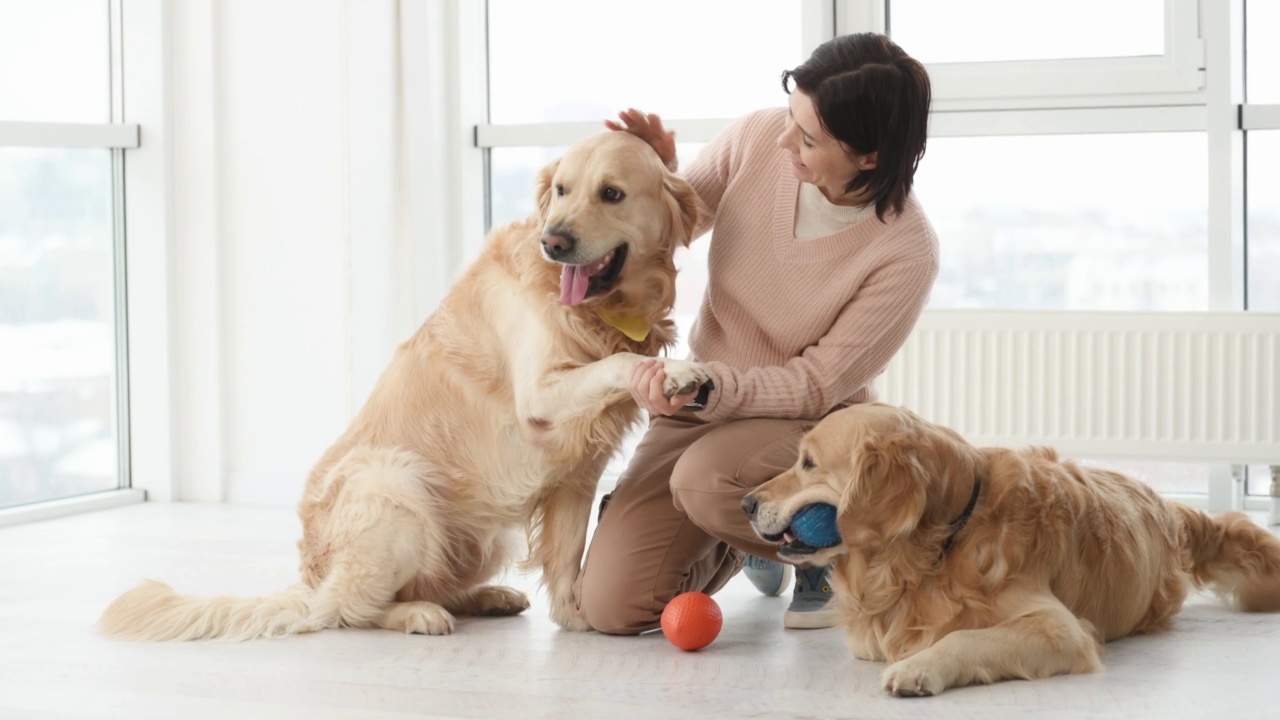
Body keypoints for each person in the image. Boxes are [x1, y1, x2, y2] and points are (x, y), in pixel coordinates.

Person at [572, 32, 938, 633]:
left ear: (868, 157)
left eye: (809, 138)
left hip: (803, 425)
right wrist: (657, 175)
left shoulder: (904, 252)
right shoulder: (757, 141)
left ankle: (823, 549)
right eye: (792, 116)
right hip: (700, 402)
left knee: (704, 480)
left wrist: (708, 387)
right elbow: (668, 231)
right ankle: (747, 539)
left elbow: (815, 385)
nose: (783, 139)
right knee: (611, 609)